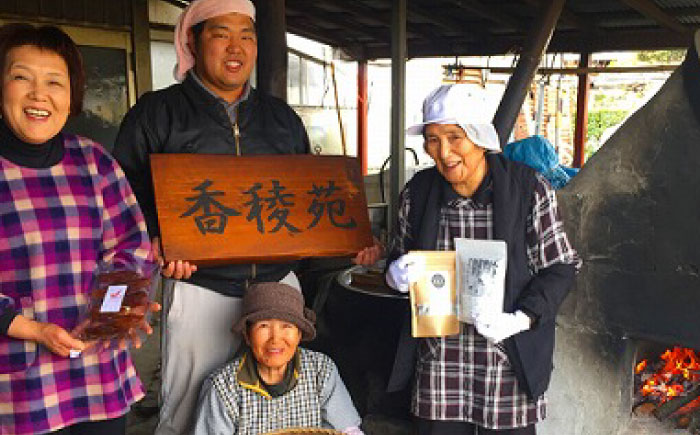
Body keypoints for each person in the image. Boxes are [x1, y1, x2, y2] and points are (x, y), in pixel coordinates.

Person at [112, 0, 378, 433]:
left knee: (280, 402)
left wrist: (349, 244)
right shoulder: (156, 114)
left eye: (247, 35)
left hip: (277, 288)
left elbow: (304, 205)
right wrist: (158, 242)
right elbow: (122, 200)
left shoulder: (281, 118)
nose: (236, 47)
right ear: (193, 42)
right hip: (200, 283)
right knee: (189, 406)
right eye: (221, 34)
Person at [385, 84, 581, 434]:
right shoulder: (418, 193)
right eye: (432, 139)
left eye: (454, 137)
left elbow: (560, 267)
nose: (443, 152)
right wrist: (395, 275)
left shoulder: (528, 190)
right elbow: (399, 255)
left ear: (480, 137)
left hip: (505, 358)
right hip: (438, 360)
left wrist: (521, 318)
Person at [0, 23, 157, 434]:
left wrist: (113, 313)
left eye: (55, 82)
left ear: (71, 96)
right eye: (21, 77)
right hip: (17, 389)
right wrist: (34, 330)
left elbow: (132, 248)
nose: (39, 94)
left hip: (96, 375)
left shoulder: (94, 162)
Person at [193, 282, 364, 434]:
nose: (275, 339)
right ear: (247, 335)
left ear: (299, 335)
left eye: (286, 326)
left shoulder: (321, 370)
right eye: (264, 326)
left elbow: (348, 430)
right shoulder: (223, 388)